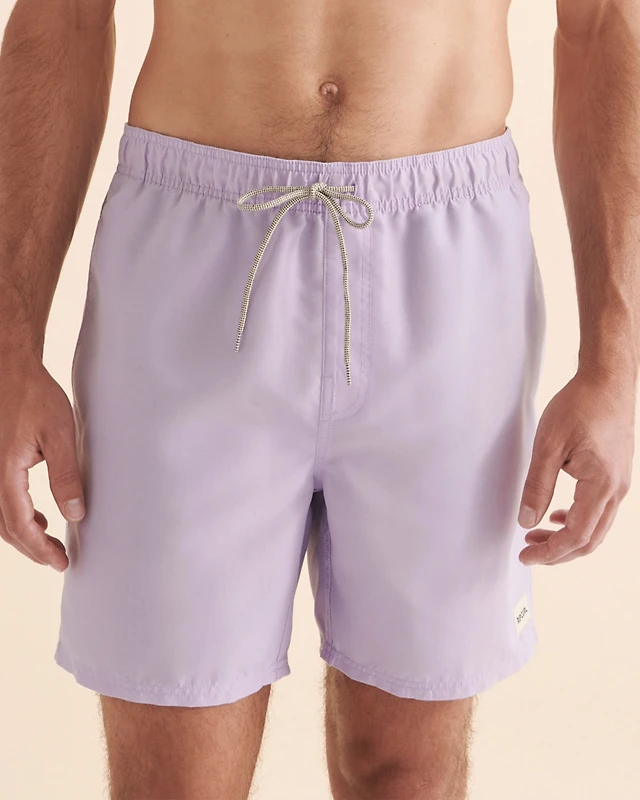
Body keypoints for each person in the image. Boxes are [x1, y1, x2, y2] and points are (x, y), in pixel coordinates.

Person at [0, 1, 637, 798]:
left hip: (446, 268)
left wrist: (615, 361)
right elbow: (64, 18)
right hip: (191, 263)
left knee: (406, 775)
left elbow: (604, 23)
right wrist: (10, 344)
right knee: (176, 782)